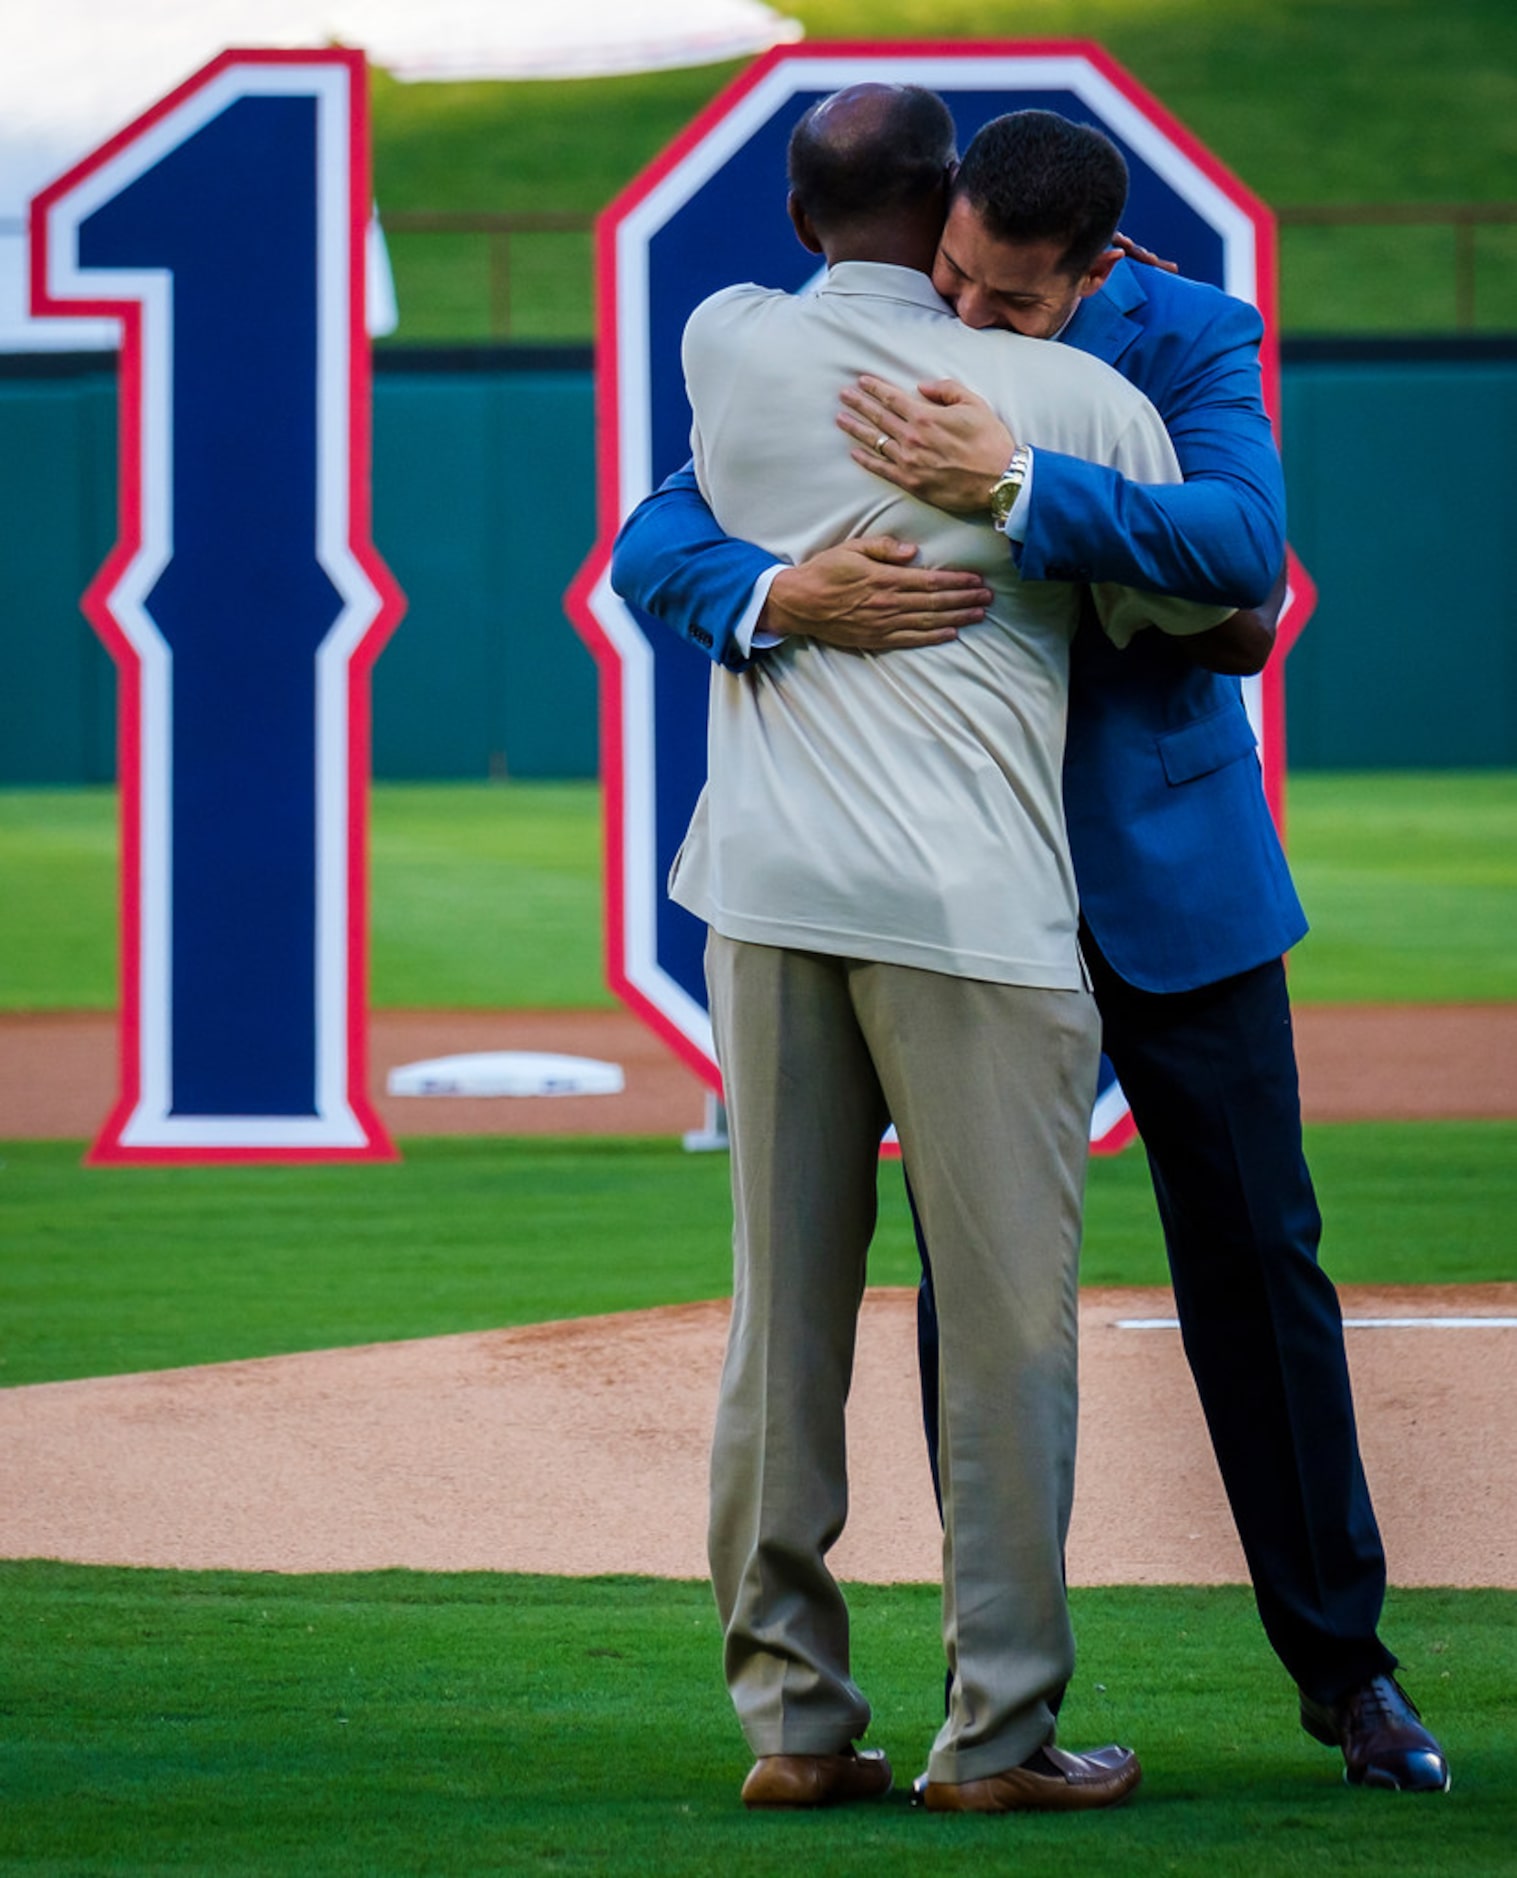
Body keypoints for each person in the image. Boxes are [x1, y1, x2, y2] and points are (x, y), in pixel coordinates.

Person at [611, 107, 1451, 1796]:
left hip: (1160, 875)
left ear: (1095, 269)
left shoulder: (1185, 343)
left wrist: (1007, 484)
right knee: (971, 1309)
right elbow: (660, 531)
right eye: (952, 278)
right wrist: (789, 590)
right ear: (935, 229)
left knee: (1252, 1269)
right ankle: (987, 1702)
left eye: (1007, 300)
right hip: (960, 895)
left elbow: (1242, 586)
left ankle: (1342, 1671)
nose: (965, 326)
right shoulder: (893, 344)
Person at [672, 82, 1230, 1817]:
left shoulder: (728, 345)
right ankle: (994, 1737)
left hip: (763, 895)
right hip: (974, 914)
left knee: (782, 1320)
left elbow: (669, 516)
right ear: (943, 221)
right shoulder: (1085, 397)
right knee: (1004, 1338)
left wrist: (792, 578)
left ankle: (790, 1719)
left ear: (794, 212)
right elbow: (1220, 609)